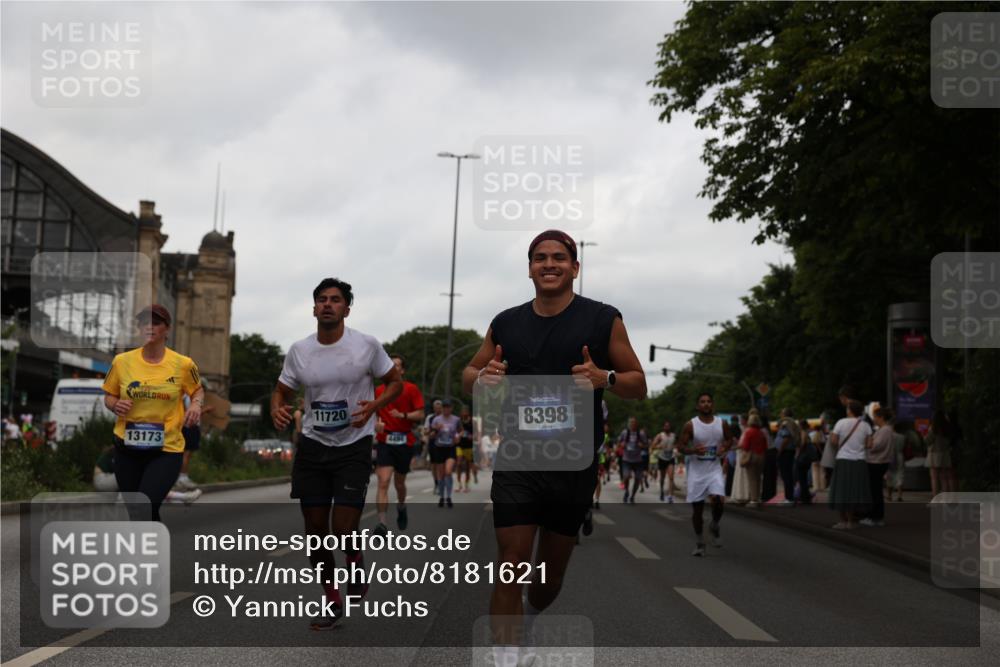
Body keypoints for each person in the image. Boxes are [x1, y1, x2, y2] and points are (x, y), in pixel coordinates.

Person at [461, 229, 645, 665]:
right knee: (512, 560)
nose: (549, 264)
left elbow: (638, 384)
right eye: (540, 258)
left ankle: (528, 615)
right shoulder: (505, 323)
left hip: (573, 465)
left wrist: (608, 379)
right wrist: (483, 376)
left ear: (575, 268)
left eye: (559, 258)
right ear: (529, 269)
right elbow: (469, 375)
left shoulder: (603, 320)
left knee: (547, 580)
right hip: (518, 459)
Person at [270, 278, 402, 630]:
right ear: (314, 308)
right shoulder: (300, 350)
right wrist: (276, 408)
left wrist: (374, 405)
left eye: (335, 300)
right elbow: (281, 390)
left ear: (347, 308)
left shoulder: (367, 345)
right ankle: (331, 599)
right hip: (313, 445)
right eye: (322, 300)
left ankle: (355, 561)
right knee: (315, 529)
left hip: (353, 446)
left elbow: (395, 383)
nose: (328, 304)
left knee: (343, 529)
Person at [101, 304, 203, 522]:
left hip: (166, 449)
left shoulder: (184, 364)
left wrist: (195, 405)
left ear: (167, 329)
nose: (149, 327)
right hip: (127, 448)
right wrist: (114, 405)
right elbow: (109, 395)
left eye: (156, 323)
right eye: (144, 323)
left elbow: (197, 391)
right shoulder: (122, 361)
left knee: (144, 505)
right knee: (139, 512)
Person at [372, 353, 425, 536]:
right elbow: (370, 412)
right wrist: (375, 424)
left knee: (399, 483)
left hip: (404, 440)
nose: (393, 368)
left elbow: (420, 414)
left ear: (402, 370)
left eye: (397, 365)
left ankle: (401, 506)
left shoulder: (410, 389)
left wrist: (403, 416)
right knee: (383, 481)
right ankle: (382, 524)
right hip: (384, 440)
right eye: (390, 365)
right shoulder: (378, 391)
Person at [676, 392, 733, 556]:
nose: (706, 404)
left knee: (718, 500)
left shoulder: (722, 423)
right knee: (698, 511)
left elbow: (730, 439)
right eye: (702, 402)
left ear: (712, 405)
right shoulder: (690, 425)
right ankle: (700, 542)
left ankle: (714, 524)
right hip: (696, 471)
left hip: (714, 468)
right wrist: (694, 450)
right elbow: (680, 446)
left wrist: (725, 447)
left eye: (709, 401)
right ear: (697, 406)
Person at [827, 400, 873, 530]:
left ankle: (843, 521)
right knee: (855, 491)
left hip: (843, 459)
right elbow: (870, 445)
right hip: (859, 461)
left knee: (841, 490)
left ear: (850, 410)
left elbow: (834, 441)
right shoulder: (866, 425)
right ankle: (852, 521)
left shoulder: (840, 422)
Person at [862, 407, 895, 526]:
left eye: (875, 416)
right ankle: (876, 516)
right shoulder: (885, 429)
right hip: (879, 462)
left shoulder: (885, 430)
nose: (874, 419)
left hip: (877, 462)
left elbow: (876, 446)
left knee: (875, 491)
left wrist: (868, 442)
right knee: (875, 490)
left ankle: (875, 517)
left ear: (881, 417)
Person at [429, 400, 461, 507]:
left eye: (448, 407)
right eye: (444, 407)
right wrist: (435, 430)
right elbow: (431, 434)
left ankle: (449, 497)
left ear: (451, 408)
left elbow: (461, 430)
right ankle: (442, 497)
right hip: (439, 448)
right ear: (442, 408)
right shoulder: (436, 419)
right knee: (441, 475)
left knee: (448, 471)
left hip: (450, 448)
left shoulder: (456, 419)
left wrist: (458, 436)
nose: (446, 409)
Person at [618, 417, 648, 504]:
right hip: (627, 459)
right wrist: (621, 444)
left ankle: (632, 496)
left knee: (638, 479)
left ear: (636, 424)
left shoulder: (641, 434)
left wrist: (642, 445)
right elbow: (619, 442)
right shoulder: (625, 432)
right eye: (631, 423)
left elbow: (647, 445)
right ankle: (626, 491)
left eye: (634, 423)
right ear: (629, 424)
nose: (632, 424)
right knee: (626, 476)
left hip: (638, 460)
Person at [924, 410, 954, 497]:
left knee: (934, 478)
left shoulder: (933, 428)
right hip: (945, 454)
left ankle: (935, 497)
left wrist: (924, 436)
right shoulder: (947, 428)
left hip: (934, 455)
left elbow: (927, 440)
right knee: (944, 478)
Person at [774, 408, 800, 505]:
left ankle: (789, 498)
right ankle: (789, 497)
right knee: (788, 475)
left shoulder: (786, 423)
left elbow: (786, 438)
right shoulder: (792, 422)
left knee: (786, 475)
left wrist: (779, 451)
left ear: (784, 414)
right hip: (789, 451)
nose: (780, 415)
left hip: (785, 452)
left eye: (781, 413)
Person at [652, 421, 678, 502]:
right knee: (662, 477)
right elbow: (653, 446)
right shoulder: (660, 435)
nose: (667, 427)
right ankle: (662, 491)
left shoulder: (674, 435)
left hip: (671, 458)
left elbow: (677, 444)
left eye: (668, 426)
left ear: (670, 427)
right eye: (665, 426)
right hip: (662, 458)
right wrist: (658, 446)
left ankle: (670, 496)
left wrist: (676, 449)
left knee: (671, 477)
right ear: (663, 427)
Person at [422, 400, 443, 490]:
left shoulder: (445, 417)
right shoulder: (430, 418)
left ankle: (442, 481)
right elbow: (425, 431)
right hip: (433, 443)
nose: (438, 409)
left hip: (444, 444)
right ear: (434, 408)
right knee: (434, 465)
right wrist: (431, 431)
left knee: (441, 464)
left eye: (439, 408)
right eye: (436, 408)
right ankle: (436, 483)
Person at [456, 407, 476, 492]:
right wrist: (457, 436)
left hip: (469, 446)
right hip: (460, 446)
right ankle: (459, 484)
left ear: (468, 413)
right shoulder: (458, 421)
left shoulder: (472, 422)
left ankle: (467, 485)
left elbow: (477, 433)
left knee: (468, 466)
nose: (464, 413)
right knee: (459, 464)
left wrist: (472, 437)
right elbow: (455, 432)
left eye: (465, 412)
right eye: (462, 412)